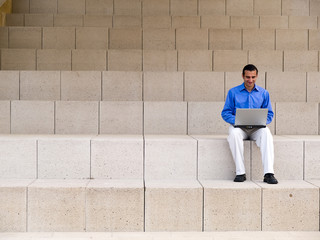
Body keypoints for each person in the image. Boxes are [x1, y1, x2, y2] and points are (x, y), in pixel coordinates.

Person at [221, 64, 278, 184]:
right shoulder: (233, 92)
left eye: (253, 77)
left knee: (266, 133)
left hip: (257, 129)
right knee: (234, 134)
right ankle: (240, 172)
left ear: (257, 76)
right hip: (239, 127)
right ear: (242, 76)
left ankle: (269, 173)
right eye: (247, 77)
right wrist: (237, 121)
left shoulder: (263, 93)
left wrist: (262, 121)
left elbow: (270, 114)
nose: (250, 80)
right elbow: (225, 113)